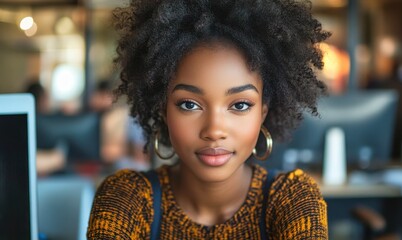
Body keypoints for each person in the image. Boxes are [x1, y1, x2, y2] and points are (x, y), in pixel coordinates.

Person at [87, 0, 330, 239]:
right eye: (189, 104)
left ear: (263, 112)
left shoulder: (293, 200)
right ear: (163, 110)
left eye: (240, 105)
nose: (214, 130)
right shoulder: (127, 198)